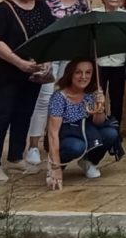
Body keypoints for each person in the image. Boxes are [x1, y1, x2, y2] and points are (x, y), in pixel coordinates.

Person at [0, 0, 56, 182]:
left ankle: (16, 157)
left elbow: (49, 36)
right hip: (7, 71)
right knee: (3, 115)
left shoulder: (41, 7)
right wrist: (20, 63)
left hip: (33, 72)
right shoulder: (3, 9)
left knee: (24, 115)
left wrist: (47, 59)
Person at [26, 0, 91, 166]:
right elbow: (36, 24)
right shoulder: (46, 0)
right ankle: (33, 146)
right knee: (44, 98)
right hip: (49, 54)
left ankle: (56, 141)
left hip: (71, 55)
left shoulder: (82, 3)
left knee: (64, 97)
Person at [45, 59, 121, 188]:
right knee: (76, 147)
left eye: (88, 72)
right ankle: (57, 163)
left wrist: (100, 106)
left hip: (86, 133)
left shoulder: (91, 94)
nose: (83, 77)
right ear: (70, 73)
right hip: (66, 135)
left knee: (111, 133)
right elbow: (53, 133)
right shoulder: (59, 97)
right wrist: (55, 167)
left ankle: (89, 161)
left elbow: (99, 122)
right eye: (78, 72)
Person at [94, 0, 126, 122]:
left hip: (119, 62)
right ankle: (97, 124)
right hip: (99, 62)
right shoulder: (95, 14)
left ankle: (115, 126)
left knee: (117, 98)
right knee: (97, 97)